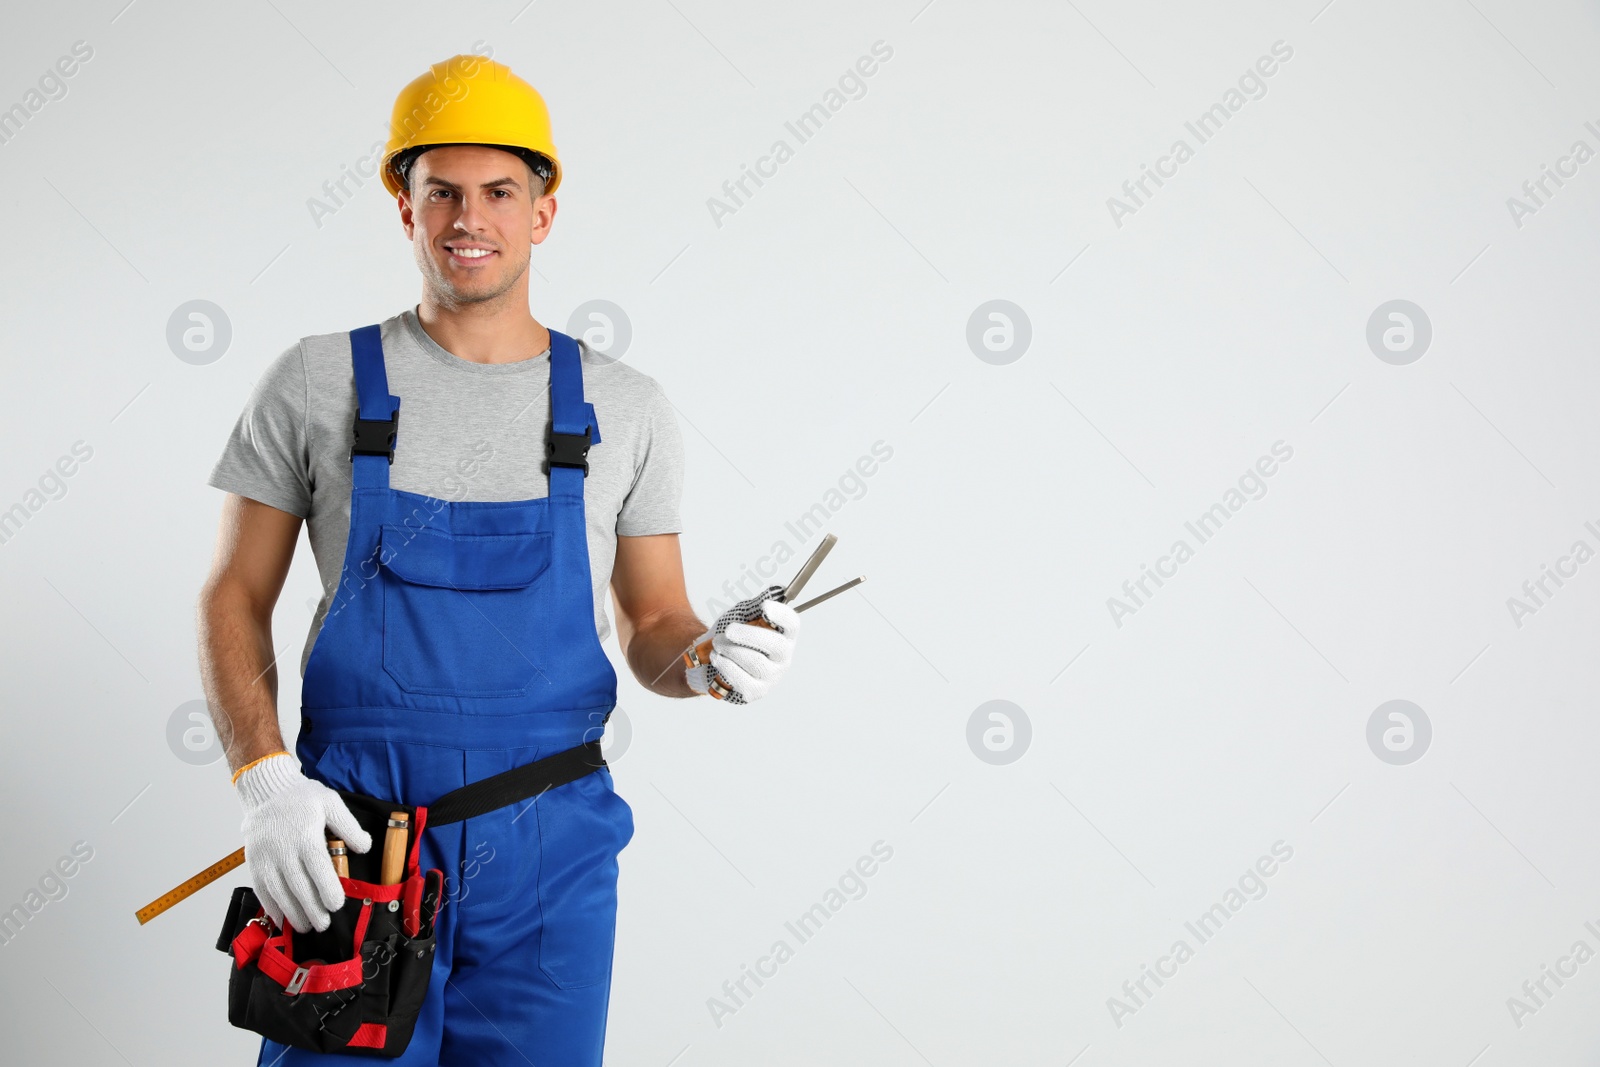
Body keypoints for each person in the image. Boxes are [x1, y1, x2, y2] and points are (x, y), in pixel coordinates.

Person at [196, 53, 801, 1066]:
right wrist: (265, 779)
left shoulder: (625, 406)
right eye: (442, 192)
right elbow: (234, 592)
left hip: (550, 861)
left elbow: (657, 623)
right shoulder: (314, 382)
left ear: (543, 212)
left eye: (498, 192)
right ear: (406, 209)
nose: (468, 218)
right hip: (355, 846)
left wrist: (710, 658)